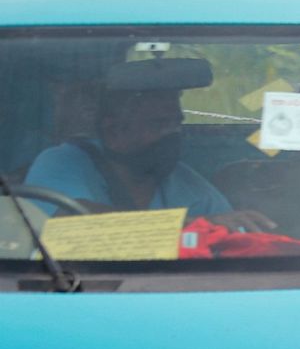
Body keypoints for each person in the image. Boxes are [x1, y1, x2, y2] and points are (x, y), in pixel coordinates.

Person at [25, 58, 272, 232]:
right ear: (114, 130)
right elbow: (68, 217)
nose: (173, 133)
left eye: (176, 123)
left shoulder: (185, 182)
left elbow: (227, 228)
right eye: (158, 124)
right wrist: (190, 226)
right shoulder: (63, 161)